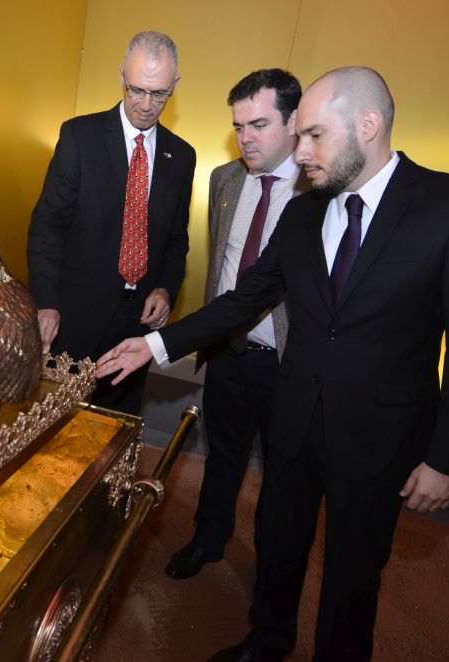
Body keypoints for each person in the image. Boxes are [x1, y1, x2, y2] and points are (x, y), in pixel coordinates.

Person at [97, 66, 449, 661]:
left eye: (314, 135)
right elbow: (244, 298)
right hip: (293, 423)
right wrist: (156, 346)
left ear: (368, 125)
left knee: (352, 575)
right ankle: (268, 640)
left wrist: (447, 457)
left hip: (379, 440)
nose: (300, 149)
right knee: (280, 549)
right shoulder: (304, 212)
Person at [165, 69, 307, 581]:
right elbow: (223, 269)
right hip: (227, 352)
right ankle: (208, 540)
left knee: (283, 476)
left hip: (287, 366)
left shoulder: (320, 195)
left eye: (260, 124)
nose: (246, 136)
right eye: (239, 125)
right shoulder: (224, 180)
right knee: (220, 457)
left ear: (294, 122)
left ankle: (272, 573)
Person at [27, 30, 196, 415]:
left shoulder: (182, 156)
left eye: (159, 94)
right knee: (56, 428)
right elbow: (47, 226)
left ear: (175, 86)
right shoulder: (79, 137)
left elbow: (175, 240)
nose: (146, 105)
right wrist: (47, 303)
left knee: (115, 430)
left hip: (135, 327)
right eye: (136, 89)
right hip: (73, 317)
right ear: (121, 76)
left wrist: (166, 289)